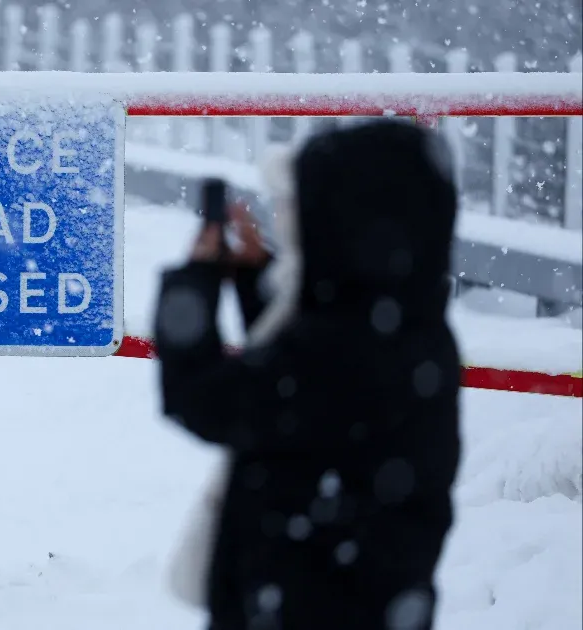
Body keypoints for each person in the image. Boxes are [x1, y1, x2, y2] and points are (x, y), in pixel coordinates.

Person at [153, 119, 463, 630]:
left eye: (302, 209)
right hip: (368, 601)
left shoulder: (338, 350)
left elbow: (204, 398)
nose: (290, 221)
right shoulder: (411, 330)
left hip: (298, 604)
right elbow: (292, 392)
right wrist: (258, 282)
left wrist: (197, 282)